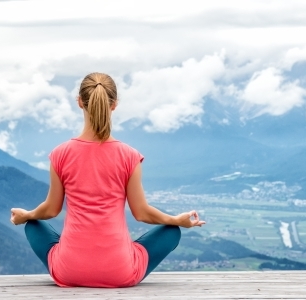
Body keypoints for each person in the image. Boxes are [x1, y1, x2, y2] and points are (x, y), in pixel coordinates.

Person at [10, 72, 205, 288]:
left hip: (69, 271)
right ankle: (118, 256)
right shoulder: (129, 156)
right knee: (171, 231)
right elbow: (142, 213)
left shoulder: (61, 154)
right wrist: (177, 220)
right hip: (120, 272)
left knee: (33, 224)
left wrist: (26, 216)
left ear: (79, 103)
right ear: (114, 105)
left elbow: (50, 210)